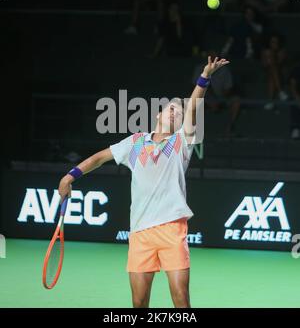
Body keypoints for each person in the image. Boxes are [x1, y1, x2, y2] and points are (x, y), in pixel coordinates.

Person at [58, 56, 229, 308]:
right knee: (139, 302)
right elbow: (99, 158)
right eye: (170, 107)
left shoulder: (182, 143)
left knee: (181, 298)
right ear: (158, 114)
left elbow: (194, 106)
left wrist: (204, 78)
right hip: (140, 233)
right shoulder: (135, 142)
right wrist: (69, 176)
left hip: (172, 229)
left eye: (179, 112)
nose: (175, 110)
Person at [261, 34, 288, 110]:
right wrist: (268, 58)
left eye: (276, 42)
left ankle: (270, 101)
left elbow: (280, 64)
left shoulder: (282, 51)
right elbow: (264, 64)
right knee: (272, 72)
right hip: (267, 72)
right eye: (272, 42)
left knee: (272, 73)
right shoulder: (265, 51)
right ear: (269, 43)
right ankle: (280, 91)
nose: (274, 44)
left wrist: (274, 56)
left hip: (280, 73)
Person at [289, 64, 300, 139]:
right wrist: (297, 96)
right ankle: (296, 129)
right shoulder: (297, 69)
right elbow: (292, 84)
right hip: (298, 95)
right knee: (294, 101)